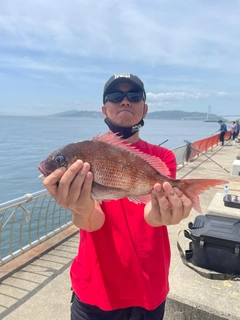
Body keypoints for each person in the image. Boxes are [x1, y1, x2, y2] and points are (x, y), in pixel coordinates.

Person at [43, 73, 193, 320]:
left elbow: (151, 215)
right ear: (105, 109)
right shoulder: (85, 155)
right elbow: (93, 221)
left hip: (148, 288)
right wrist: (79, 207)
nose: (125, 101)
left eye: (134, 97)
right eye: (116, 96)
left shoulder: (163, 157)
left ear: (144, 109)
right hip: (95, 290)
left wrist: (164, 213)